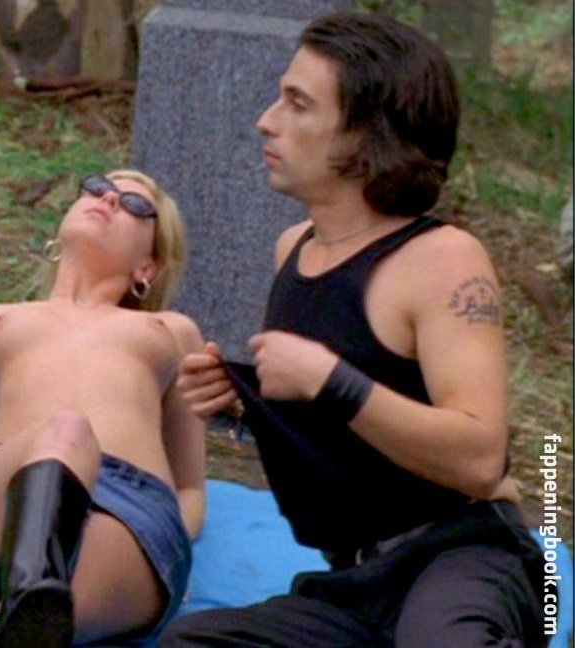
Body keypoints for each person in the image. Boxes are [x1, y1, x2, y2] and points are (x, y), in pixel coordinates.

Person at [161, 11, 544, 648]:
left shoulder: (441, 258)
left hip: (462, 559)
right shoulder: (293, 248)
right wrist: (247, 403)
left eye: (298, 104)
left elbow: (480, 460)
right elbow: (348, 431)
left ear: (365, 138)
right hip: (356, 584)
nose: (266, 120)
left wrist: (330, 381)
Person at [0, 169, 207, 647]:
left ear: (147, 267)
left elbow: (189, 487)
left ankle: (16, 620)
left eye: (136, 205)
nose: (109, 200)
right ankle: (27, 607)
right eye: (98, 187)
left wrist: (177, 546)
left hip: (129, 508)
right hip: (10, 489)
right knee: (65, 432)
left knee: (49, 615)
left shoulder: (172, 332)